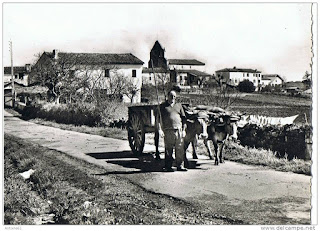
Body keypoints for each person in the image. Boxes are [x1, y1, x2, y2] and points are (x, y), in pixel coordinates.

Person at [158, 90, 187, 172]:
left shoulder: (179, 106)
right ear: (167, 96)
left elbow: (184, 119)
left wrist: (184, 130)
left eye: (174, 96)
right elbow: (159, 119)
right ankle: (168, 166)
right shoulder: (163, 106)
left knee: (180, 148)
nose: (173, 98)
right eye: (171, 96)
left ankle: (180, 166)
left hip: (179, 130)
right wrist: (160, 130)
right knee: (168, 149)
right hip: (168, 131)